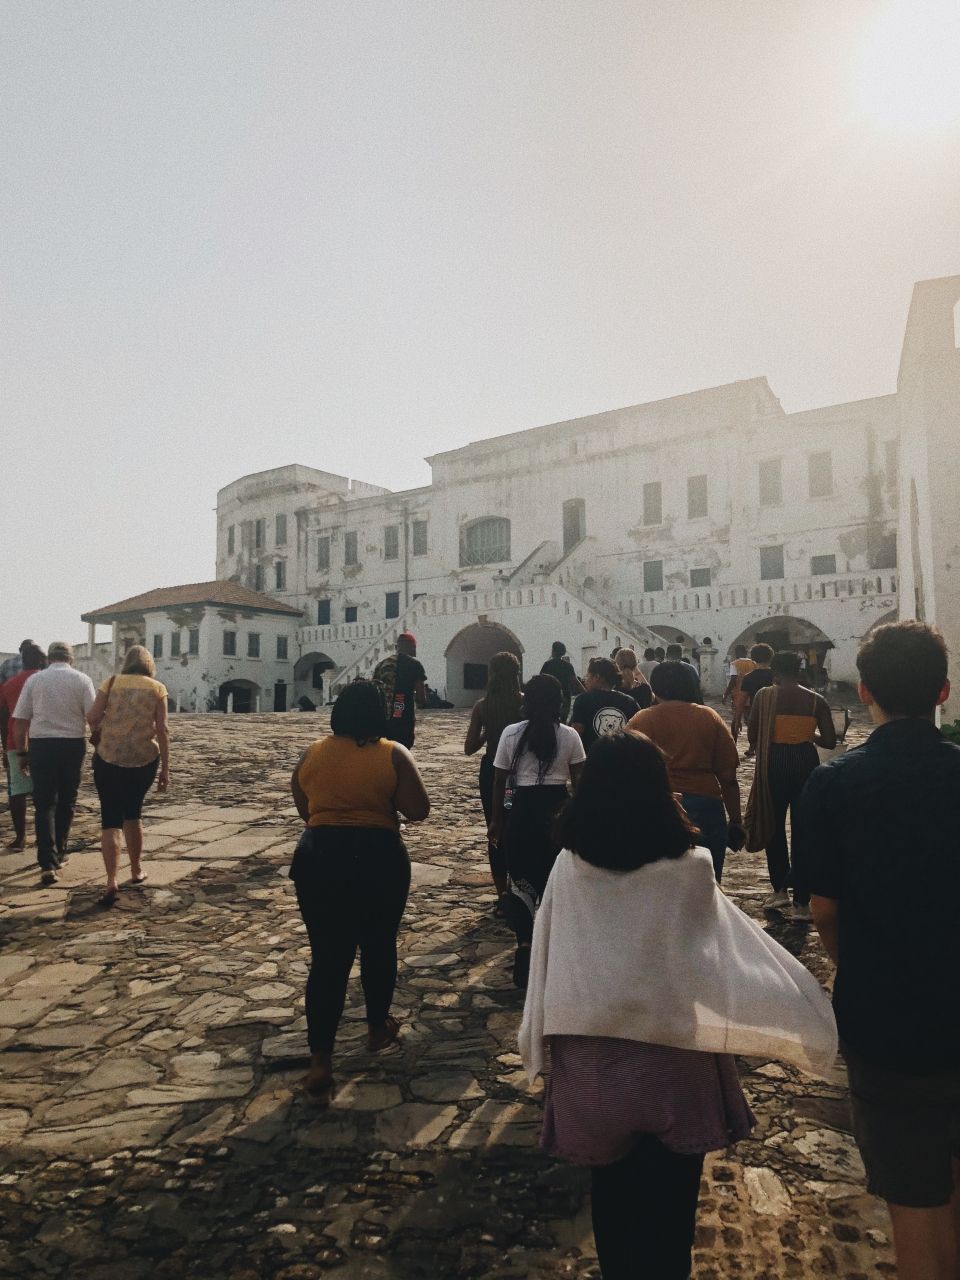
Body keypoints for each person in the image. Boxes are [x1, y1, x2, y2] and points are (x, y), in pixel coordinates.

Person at [519, 732, 837, 1280]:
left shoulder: (568, 867)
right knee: (670, 1216)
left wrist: (538, 1042)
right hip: (675, 1059)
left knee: (612, 1202)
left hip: (593, 1059)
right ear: (660, 790)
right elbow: (720, 956)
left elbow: (548, 952)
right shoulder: (692, 868)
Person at [802, 622, 960, 1280]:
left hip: (889, 1020)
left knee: (917, 1206)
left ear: (864, 690)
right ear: (944, 691)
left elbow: (825, 911)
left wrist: (855, 969)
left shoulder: (833, 787)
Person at [290, 680, 430, 1106]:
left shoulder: (312, 753)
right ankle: (374, 1028)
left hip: (320, 857)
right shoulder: (392, 754)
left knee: (328, 958)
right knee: (378, 945)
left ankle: (320, 1061)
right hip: (377, 857)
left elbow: (304, 805)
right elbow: (418, 810)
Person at [489, 674, 585, 987]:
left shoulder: (511, 734)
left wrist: (497, 821)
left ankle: (524, 944)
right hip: (557, 809)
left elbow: (499, 780)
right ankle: (552, 950)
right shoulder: (569, 735)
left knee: (520, 882)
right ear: (559, 703)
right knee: (553, 881)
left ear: (526, 700)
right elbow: (579, 782)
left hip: (522, 809)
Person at [628, 660, 743, 881]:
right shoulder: (708, 717)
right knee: (708, 883)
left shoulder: (642, 719)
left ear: (656, 686)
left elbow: (625, 768)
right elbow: (728, 778)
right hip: (706, 804)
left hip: (658, 803)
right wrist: (736, 820)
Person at [745, 650, 835, 920]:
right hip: (805, 762)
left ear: (775, 672)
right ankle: (802, 903)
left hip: (775, 761)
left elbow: (752, 731)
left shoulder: (765, 695)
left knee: (774, 827)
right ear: (799, 671)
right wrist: (808, 734)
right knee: (804, 830)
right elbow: (830, 741)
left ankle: (780, 890)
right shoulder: (816, 700)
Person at [86, 646, 170, 907]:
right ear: (149, 664)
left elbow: (92, 716)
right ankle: (135, 870)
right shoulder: (157, 688)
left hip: (109, 757)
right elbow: (163, 729)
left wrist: (101, 729)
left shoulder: (110, 683)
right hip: (143, 759)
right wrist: (166, 768)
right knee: (133, 813)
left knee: (110, 819)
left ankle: (111, 879)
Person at [12, 641, 95, 885]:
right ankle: (60, 850)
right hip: (71, 744)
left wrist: (22, 753)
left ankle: (47, 862)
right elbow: (92, 717)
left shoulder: (34, 680)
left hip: (42, 745)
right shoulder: (82, 680)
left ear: (48, 658)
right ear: (71, 659)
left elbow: (20, 722)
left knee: (44, 802)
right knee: (67, 800)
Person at [464, 651, 524, 909]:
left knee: (495, 827)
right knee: (517, 826)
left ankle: (502, 894)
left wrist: (488, 733)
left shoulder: (482, 706)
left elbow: (469, 748)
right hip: (519, 774)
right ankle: (521, 887)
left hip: (492, 773)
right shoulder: (524, 703)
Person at [0, 643, 45, 849]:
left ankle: (20, 837)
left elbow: (3, 718)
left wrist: (4, 746)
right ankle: (44, 835)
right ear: (41, 660)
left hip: (14, 743)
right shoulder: (47, 682)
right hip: (44, 741)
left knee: (17, 791)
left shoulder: (9, 685)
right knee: (44, 791)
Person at [571, 658, 643, 751]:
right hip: (625, 758)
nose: (585, 680)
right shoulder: (629, 701)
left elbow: (577, 733)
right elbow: (639, 733)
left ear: (597, 677)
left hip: (593, 759)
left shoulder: (583, 700)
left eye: (588, 676)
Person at [373, 632, 426, 749]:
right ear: (411, 647)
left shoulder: (381, 664)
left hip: (383, 719)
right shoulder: (415, 665)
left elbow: (374, 691)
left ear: (397, 647)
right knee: (402, 751)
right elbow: (421, 698)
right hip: (403, 718)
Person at [739, 644, 774, 757]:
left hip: (756, 709)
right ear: (771, 657)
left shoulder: (749, 677)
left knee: (754, 731)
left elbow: (742, 700)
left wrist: (736, 719)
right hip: (773, 709)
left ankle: (752, 747)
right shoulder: (775, 675)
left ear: (753, 658)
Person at [540, 641, 584, 723]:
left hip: (549, 696)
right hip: (565, 696)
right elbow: (574, 681)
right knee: (562, 721)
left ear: (553, 651)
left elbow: (540, 680)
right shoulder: (568, 666)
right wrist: (585, 692)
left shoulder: (547, 665)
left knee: (549, 720)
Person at [722, 645, 757, 740]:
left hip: (738, 694)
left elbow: (733, 680)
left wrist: (726, 694)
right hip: (750, 694)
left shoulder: (734, 663)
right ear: (746, 653)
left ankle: (734, 740)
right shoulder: (754, 663)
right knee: (749, 719)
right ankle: (752, 744)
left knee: (735, 718)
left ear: (736, 653)